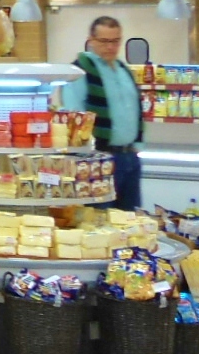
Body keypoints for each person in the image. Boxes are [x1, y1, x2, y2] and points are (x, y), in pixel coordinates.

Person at [61, 16, 143, 211]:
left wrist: (137, 146)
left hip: (130, 157)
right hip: (98, 160)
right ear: (91, 40)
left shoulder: (123, 70)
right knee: (99, 218)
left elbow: (135, 110)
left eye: (115, 41)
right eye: (104, 41)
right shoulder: (78, 71)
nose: (110, 47)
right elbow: (74, 118)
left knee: (129, 220)